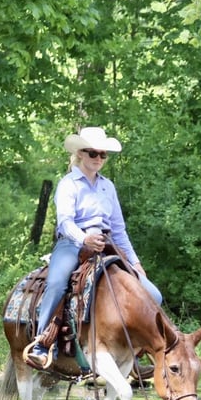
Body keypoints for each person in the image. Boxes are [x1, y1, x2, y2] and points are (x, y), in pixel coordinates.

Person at [27, 126, 163, 369]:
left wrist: (135, 262)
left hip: (107, 243)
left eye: (103, 155)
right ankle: (41, 343)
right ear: (80, 153)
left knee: (153, 295)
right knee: (57, 283)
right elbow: (65, 222)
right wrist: (84, 239)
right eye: (93, 154)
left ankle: (134, 352)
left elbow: (119, 229)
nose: (98, 159)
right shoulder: (69, 184)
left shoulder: (107, 186)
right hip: (73, 243)